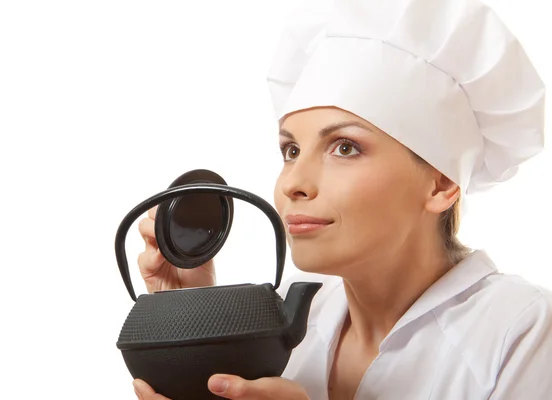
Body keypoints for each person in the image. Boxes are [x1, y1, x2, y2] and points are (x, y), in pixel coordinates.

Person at [132, 0, 551, 398]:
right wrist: (191, 316)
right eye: (291, 151)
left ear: (441, 184)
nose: (293, 183)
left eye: (345, 147)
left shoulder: (520, 333)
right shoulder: (298, 318)